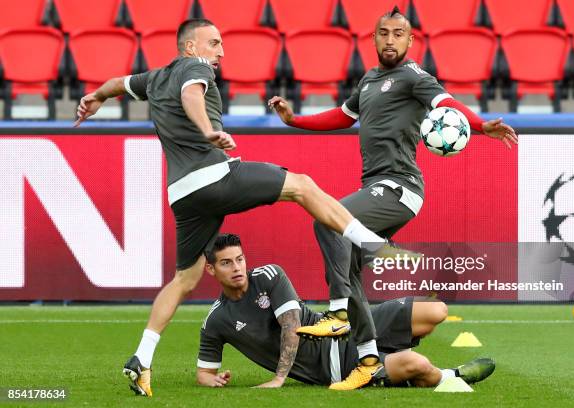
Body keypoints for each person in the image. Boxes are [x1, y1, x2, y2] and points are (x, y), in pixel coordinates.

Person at [74, 18, 405, 397]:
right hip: (212, 175)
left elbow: (119, 82)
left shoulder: (154, 77)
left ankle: (141, 358)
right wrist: (207, 131)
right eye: (213, 43)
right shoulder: (193, 68)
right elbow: (191, 97)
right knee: (302, 185)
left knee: (184, 279)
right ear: (190, 47)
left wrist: (97, 96)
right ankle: (368, 240)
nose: (221, 51)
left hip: (182, 194)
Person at [268, 6, 518, 390]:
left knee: (327, 220)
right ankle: (368, 360)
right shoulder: (368, 80)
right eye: (383, 33)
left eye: (398, 34)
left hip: (400, 187)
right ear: (373, 38)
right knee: (349, 268)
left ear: (409, 39)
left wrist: (481, 125)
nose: (390, 40)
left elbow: (446, 105)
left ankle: (337, 311)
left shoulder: (414, 76)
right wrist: (294, 120)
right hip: (376, 185)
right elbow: (343, 115)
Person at [197, 233, 495, 389]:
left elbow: (291, 327)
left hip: (345, 327)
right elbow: (204, 373)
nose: (237, 268)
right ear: (210, 269)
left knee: (435, 310)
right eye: (226, 263)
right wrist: (213, 379)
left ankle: (390, 351)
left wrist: (278, 378)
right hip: (336, 365)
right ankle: (451, 376)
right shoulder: (216, 320)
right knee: (417, 363)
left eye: (239, 259)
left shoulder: (269, 276)